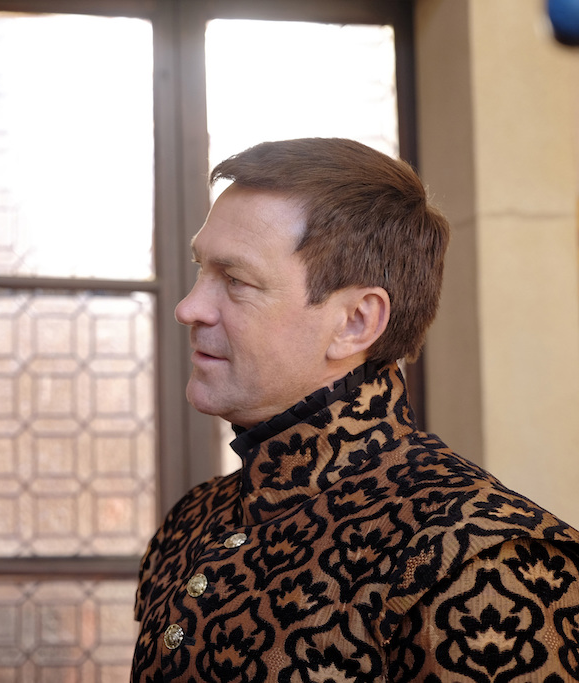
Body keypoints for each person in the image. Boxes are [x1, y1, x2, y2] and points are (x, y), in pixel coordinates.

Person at [132, 138, 579, 682]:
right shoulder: (192, 523)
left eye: (235, 280)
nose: (189, 307)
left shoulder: (485, 561)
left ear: (355, 323)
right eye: (201, 269)